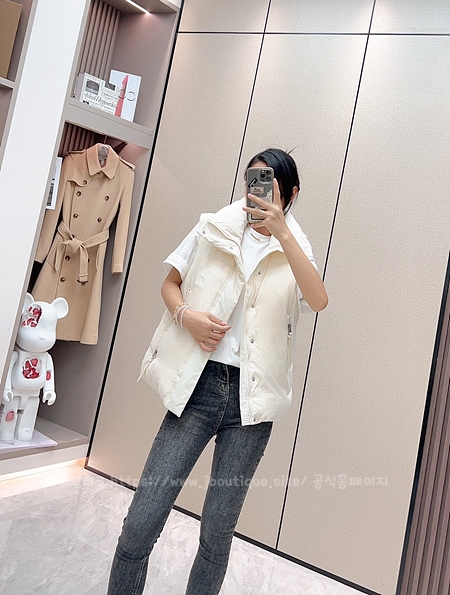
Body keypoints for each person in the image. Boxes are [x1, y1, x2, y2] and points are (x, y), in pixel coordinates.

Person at [107, 148, 328, 595]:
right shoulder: (214, 227)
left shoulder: (296, 249)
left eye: (269, 186)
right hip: (199, 386)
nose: (256, 193)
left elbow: (318, 300)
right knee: (142, 520)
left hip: (251, 404)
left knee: (216, 534)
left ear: (291, 195)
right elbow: (170, 283)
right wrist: (186, 316)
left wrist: (282, 232)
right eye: (252, 181)